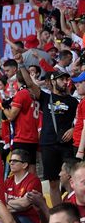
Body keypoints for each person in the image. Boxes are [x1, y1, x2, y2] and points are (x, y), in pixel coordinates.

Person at [31, 69, 78, 206]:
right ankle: (58, 212)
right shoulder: (46, 97)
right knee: (53, 182)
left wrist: (73, 129)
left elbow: (81, 120)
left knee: (70, 178)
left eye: (66, 79)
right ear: (53, 81)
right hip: (48, 144)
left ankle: (74, 209)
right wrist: (21, 63)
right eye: (61, 79)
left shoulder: (73, 101)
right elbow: (31, 85)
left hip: (66, 145)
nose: (65, 82)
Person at [2, 149, 43, 223]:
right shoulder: (8, 181)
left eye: (15, 161)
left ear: (24, 165)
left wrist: (8, 202)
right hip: (12, 216)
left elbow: (24, 204)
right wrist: (17, 205)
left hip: (30, 220)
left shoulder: (33, 181)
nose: (11, 163)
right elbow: (2, 204)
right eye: (10, 161)